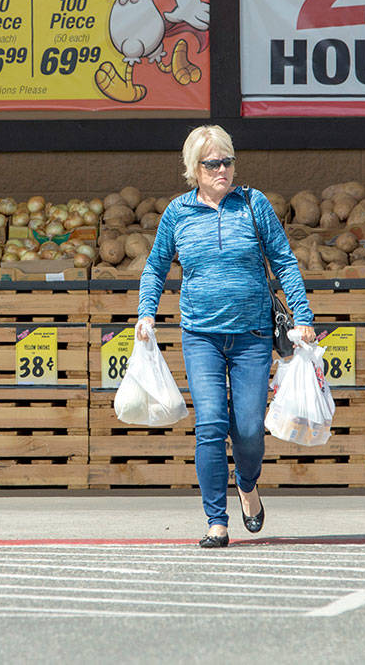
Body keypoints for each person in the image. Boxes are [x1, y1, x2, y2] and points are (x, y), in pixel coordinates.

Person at [136, 125, 315, 548]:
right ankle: (216, 520)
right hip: (201, 336)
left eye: (228, 161)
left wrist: (303, 317)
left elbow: (285, 262)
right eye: (213, 163)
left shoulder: (254, 205)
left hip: (252, 334)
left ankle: (248, 484)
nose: (223, 170)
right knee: (211, 424)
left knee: (250, 429)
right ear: (193, 169)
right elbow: (156, 266)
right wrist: (146, 312)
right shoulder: (178, 213)